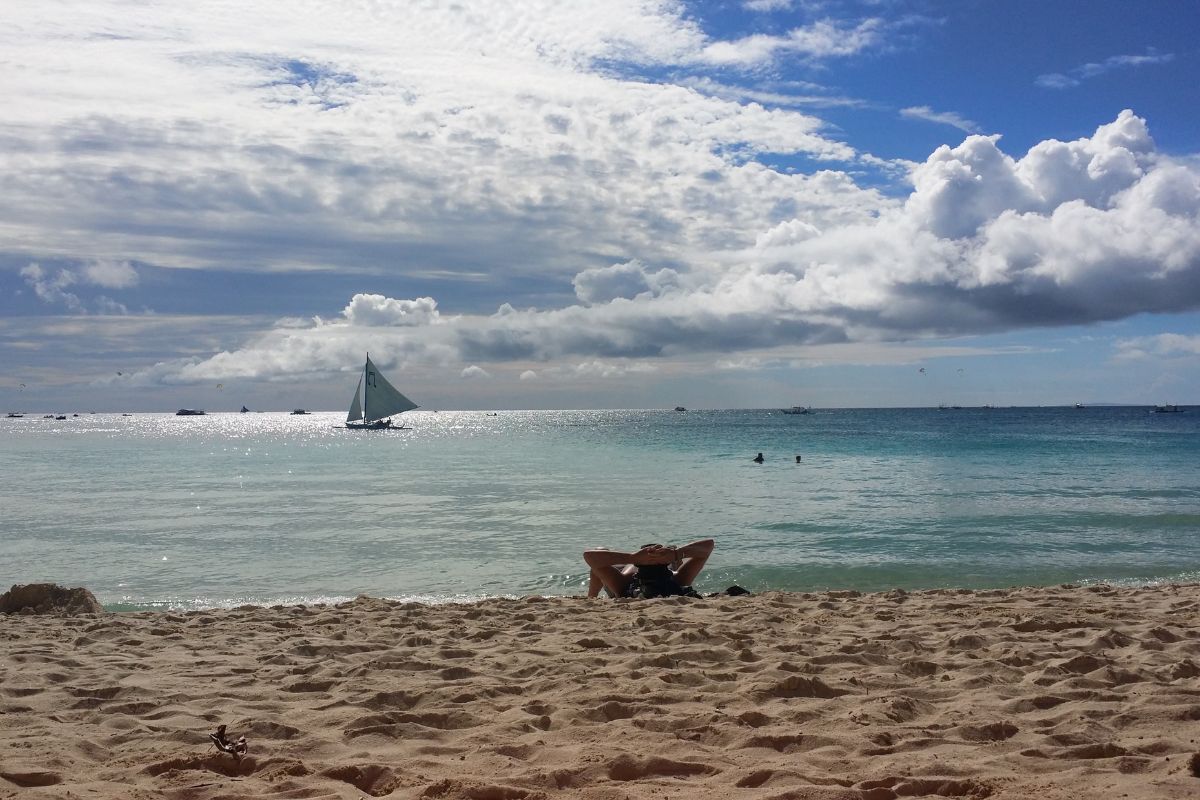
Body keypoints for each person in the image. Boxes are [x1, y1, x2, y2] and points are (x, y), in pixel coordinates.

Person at [584, 539, 715, 599]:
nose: (653, 557)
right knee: (600, 557)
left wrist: (633, 557)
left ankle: (591, 598)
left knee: (599, 564)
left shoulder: (623, 584)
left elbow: (590, 558)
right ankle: (591, 597)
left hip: (627, 568)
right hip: (632, 566)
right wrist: (675, 554)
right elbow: (708, 546)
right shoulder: (679, 579)